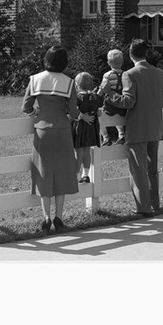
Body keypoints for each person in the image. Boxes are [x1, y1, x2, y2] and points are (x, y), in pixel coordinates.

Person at [22, 46, 94, 234]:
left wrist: (35, 113)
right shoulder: (69, 83)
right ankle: (59, 217)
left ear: (46, 59)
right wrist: (80, 117)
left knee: (44, 173)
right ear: (64, 62)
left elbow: (26, 106)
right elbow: (73, 111)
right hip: (62, 130)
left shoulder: (35, 79)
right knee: (62, 174)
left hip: (42, 131)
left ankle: (45, 218)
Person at [103, 39, 163, 216]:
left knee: (138, 171)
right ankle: (155, 204)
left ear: (130, 54)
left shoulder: (129, 74)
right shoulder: (160, 73)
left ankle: (143, 208)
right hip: (155, 127)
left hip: (137, 128)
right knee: (152, 170)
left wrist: (109, 94)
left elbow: (128, 102)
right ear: (145, 53)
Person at [71, 72, 102, 183]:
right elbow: (99, 112)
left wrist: (82, 116)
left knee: (78, 152)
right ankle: (86, 174)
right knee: (87, 151)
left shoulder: (77, 97)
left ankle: (76, 176)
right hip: (91, 127)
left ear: (77, 85)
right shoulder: (95, 97)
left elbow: (72, 111)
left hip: (80, 127)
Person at [96, 48, 127, 146]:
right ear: (122, 62)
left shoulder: (107, 75)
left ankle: (105, 137)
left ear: (108, 62)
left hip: (110, 104)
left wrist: (96, 97)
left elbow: (102, 88)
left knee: (100, 119)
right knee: (119, 119)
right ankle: (121, 135)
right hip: (121, 103)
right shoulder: (125, 75)